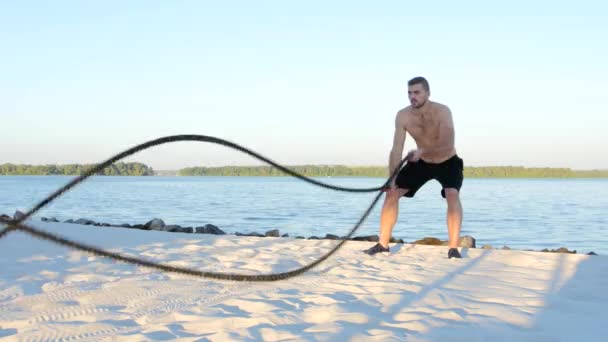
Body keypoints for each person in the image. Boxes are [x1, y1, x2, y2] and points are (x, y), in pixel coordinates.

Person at [364, 76, 464, 259]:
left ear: (427, 93)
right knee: (392, 193)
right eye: (409, 93)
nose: (412, 96)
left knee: (452, 193)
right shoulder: (403, 116)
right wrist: (391, 178)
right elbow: (396, 150)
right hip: (421, 162)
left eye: (417, 92)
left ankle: (453, 248)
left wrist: (422, 149)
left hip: (447, 160)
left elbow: (447, 141)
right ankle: (383, 244)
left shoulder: (442, 111)